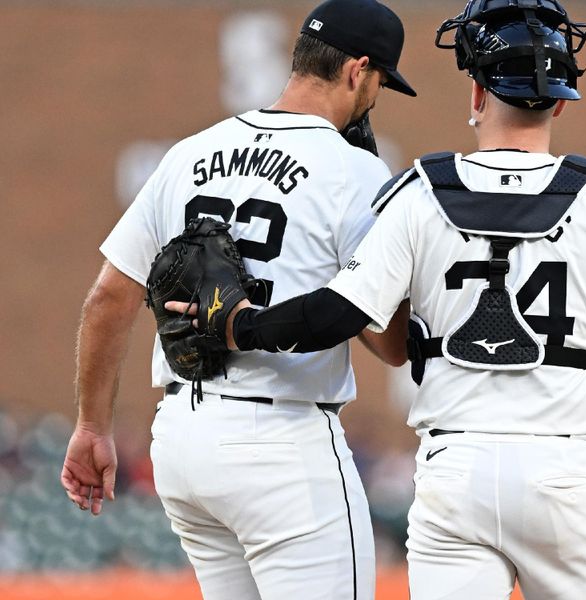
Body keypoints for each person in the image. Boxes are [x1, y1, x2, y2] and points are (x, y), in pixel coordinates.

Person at [169, 0, 586, 598]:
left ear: (476, 95)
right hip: (564, 474)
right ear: (561, 101)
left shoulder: (418, 197)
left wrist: (240, 328)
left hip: (455, 471)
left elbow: (335, 315)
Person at [60, 1, 415, 598]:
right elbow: (393, 344)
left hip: (182, 438)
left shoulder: (188, 154)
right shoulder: (355, 173)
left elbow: (107, 298)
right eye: (380, 81)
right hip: (283, 444)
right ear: (358, 71)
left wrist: (92, 425)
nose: (376, 95)